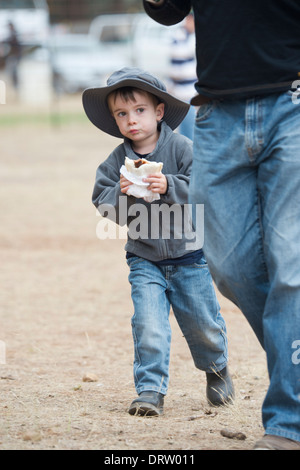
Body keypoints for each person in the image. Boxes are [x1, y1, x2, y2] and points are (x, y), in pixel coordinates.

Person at [143, 0, 300, 450]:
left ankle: (289, 423)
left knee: (292, 264)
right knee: (228, 266)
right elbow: (168, 9)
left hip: (292, 100)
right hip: (216, 112)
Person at [82, 67, 234, 416]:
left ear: (159, 112)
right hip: (144, 259)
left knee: (204, 325)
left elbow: (203, 188)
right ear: (115, 120)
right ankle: (150, 390)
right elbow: (103, 203)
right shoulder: (115, 163)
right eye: (122, 114)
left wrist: (170, 185)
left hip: (189, 257)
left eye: (139, 111)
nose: (131, 120)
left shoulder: (182, 149)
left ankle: (217, 368)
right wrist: (123, 196)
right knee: (148, 325)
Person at [168, 12, 197, 140]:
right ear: (189, 20)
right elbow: (178, 70)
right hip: (184, 93)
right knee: (188, 134)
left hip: (189, 92)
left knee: (188, 131)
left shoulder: (188, 37)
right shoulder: (180, 37)